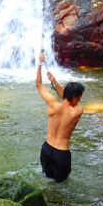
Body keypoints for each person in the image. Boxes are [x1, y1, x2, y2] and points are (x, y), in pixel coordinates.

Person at [36, 52, 85, 182]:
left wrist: (40, 63)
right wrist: (55, 83)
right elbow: (67, 98)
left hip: (46, 149)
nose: (80, 99)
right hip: (61, 154)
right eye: (80, 96)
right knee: (61, 185)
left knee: (47, 179)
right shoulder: (78, 111)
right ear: (76, 97)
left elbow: (39, 85)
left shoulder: (52, 105)